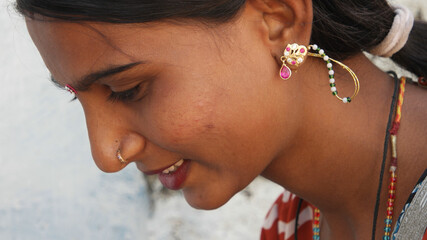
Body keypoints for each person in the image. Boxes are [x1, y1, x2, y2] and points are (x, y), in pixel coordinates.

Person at [16, 0, 427, 239]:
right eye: (77, 99)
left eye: (128, 89)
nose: (106, 155)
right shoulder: (291, 225)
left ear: (279, 21)